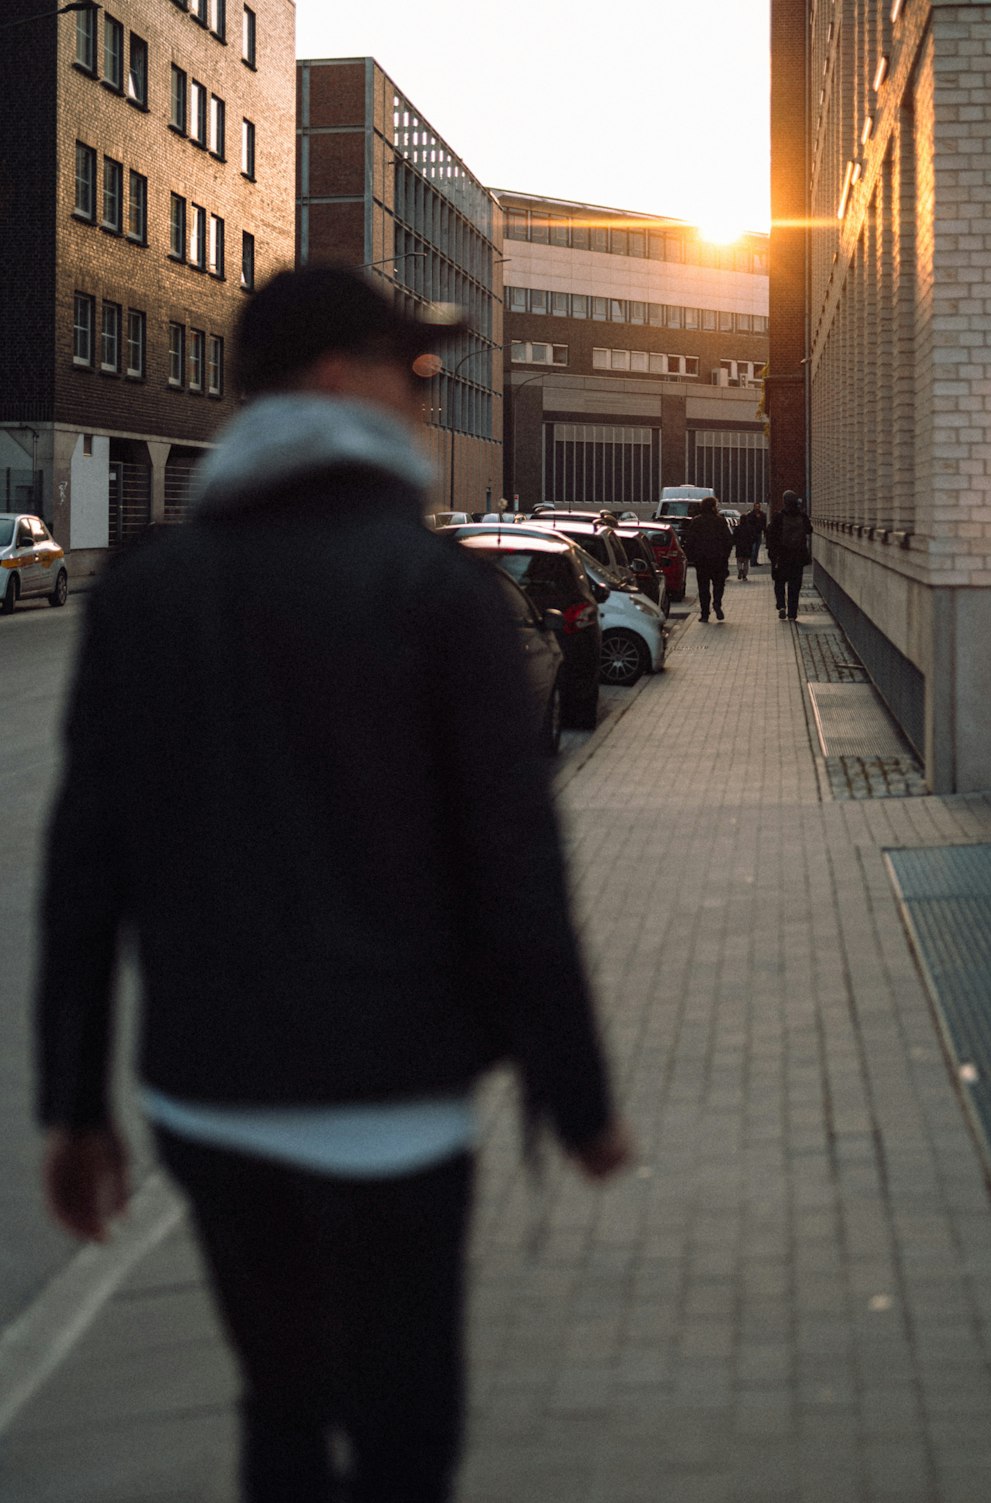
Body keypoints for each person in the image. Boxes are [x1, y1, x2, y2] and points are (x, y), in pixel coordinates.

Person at [35, 263, 630, 1503]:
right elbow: (516, 871)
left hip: (211, 1101)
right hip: (394, 1102)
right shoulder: (439, 595)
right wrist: (576, 1100)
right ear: (327, 381)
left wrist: (75, 1107)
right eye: (408, 370)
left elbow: (87, 867)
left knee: (282, 1412)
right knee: (406, 1426)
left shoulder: (148, 590)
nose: (427, 395)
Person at [683, 493, 734, 621]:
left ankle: (705, 614)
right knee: (718, 584)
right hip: (718, 559)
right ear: (713, 507)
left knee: (703, 587)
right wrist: (725, 556)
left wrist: (692, 556)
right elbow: (728, 540)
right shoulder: (720, 521)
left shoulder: (696, 521)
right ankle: (717, 602)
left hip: (702, 560)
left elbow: (690, 541)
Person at [767, 489, 813, 620]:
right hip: (798, 556)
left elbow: (772, 536)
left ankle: (781, 605)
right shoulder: (802, 516)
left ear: (784, 502)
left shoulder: (778, 517)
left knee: (779, 582)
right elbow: (810, 530)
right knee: (795, 584)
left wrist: (772, 554)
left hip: (782, 556)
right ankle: (792, 613)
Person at [732, 512, 755, 581]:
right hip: (747, 547)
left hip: (739, 546)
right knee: (746, 562)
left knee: (739, 561)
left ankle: (740, 570)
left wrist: (735, 543)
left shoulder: (737, 528)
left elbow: (734, 537)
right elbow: (753, 537)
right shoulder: (750, 528)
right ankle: (744, 575)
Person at [747, 500, 767, 566]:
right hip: (752, 534)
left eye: (758, 506)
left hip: (758, 533)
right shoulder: (751, 515)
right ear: (754, 507)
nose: (757, 508)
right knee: (753, 548)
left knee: (757, 549)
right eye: (756, 506)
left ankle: (755, 561)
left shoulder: (762, 514)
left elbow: (764, 524)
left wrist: (764, 532)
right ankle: (752, 562)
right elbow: (749, 523)